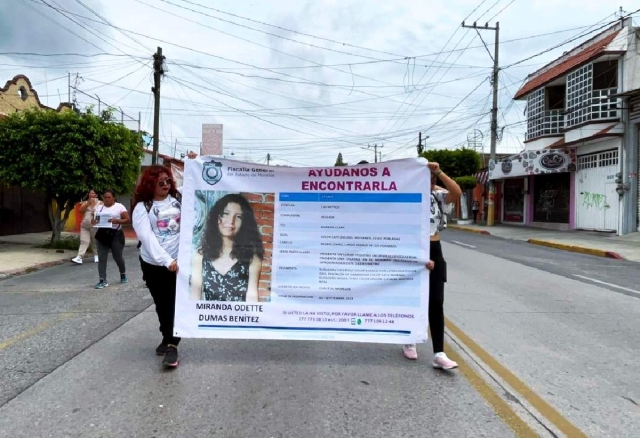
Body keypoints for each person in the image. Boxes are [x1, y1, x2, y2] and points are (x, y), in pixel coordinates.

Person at [403, 162, 462, 370]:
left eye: (428, 178)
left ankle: (439, 353)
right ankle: (409, 338)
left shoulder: (437, 196)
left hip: (434, 248)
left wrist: (438, 172)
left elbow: (456, 192)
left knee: (436, 302)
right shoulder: (405, 195)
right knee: (412, 298)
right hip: (412, 250)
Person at [132, 165, 184, 368]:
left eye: (167, 181)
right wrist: (166, 261)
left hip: (179, 262)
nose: (164, 185)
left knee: (174, 303)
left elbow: (199, 186)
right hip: (154, 263)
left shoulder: (179, 200)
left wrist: (192, 163)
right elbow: (147, 238)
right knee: (162, 303)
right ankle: (167, 337)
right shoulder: (142, 207)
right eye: (159, 182)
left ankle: (172, 345)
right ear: (150, 184)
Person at [190, 194, 264, 302]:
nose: (231, 221)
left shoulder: (252, 258)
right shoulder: (201, 255)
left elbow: (252, 297)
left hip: (240, 317)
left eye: (238, 216)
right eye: (226, 214)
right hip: (209, 317)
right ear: (217, 217)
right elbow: (195, 297)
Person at [93, 189, 130, 289]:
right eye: (105, 197)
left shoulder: (119, 207)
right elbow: (94, 221)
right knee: (102, 258)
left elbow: (127, 219)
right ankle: (102, 280)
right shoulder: (99, 208)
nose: (107, 199)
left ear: (114, 198)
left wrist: (116, 221)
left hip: (115, 234)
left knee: (117, 257)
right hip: (102, 234)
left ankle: (123, 273)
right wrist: (95, 219)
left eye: (109, 197)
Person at [72, 189, 102, 264]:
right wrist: (88, 203)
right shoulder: (86, 202)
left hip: (95, 225)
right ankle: (79, 257)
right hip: (85, 225)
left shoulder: (100, 203)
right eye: (90, 193)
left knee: (94, 241)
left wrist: (96, 213)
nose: (91, 194)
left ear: (96, 195)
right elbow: (80, 210)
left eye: (93, 193)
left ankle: (96, 255)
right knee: (84, 241)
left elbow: (104, 213)